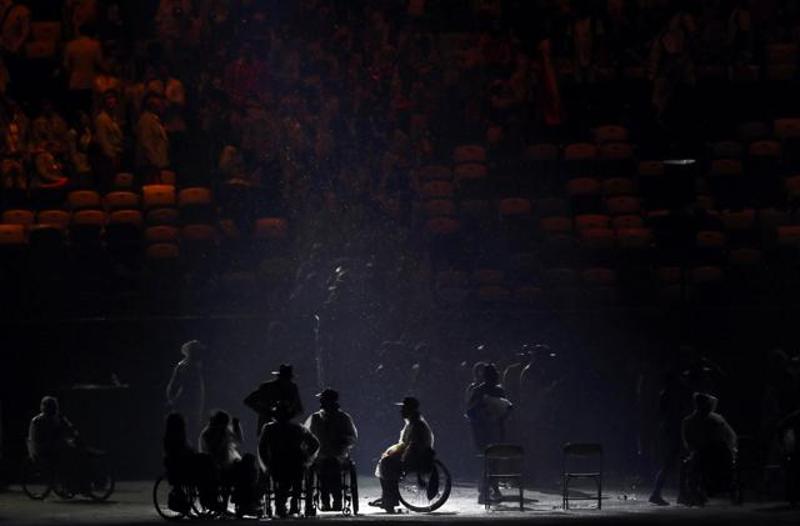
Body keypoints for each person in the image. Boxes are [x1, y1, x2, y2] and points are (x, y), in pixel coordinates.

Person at [370, 397, 435, 514]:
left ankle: (390, 500)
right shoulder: (411, 423)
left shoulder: (417, 425)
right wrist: (390, 452)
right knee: (385, 460)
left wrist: (400, 458)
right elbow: (404, 444)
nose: (401, 411)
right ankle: (387, 497)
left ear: (410, 410)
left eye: (404, 409)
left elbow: (413, 446)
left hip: (417, 457)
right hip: (412, 454)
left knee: (387, 464)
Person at [259, 402, 320, 518]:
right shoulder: (298, 428)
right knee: (295, 479)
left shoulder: (269, 428)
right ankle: (292, 503)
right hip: (295, 462)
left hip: (278, 462)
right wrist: (307, 457)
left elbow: (262, 447)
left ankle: (282, 504)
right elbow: (315, 443)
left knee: (282, 482)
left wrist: (266, 464)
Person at [678, 392, 738, 506]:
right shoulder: (692, 421)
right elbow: (689, 442)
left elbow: (730, 436)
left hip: (715, 454)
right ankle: (692, 494)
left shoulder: (714, 419)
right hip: (707, 454)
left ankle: (692, 494)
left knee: (692, 463)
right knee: (691, 463)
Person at [304, 388, 358, 511]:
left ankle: (332, 499)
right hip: (320, 454)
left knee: (330, 464)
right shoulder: (315, 418)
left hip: (338, 454)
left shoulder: (343, 418)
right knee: (326, 465)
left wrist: (341, 442)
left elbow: (352, 437)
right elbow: (306, 436)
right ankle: (329, 499)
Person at [466, 363, 513, 503]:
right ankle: (485, 490)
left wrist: (501, 414)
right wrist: (485, 415)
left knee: (494, 460)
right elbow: (470, 411)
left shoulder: (499, 391)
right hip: (483, 431)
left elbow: (506, 408)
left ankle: (492, 488)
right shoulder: (478, 391)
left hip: (496, 429)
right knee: (486, 460)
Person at [198, 410, 259, 515]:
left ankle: (246, 502)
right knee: (240, 474)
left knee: (249, 463)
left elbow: (239, 440)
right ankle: (241, 502)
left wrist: (237, 426)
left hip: (228, 464)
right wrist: (222, 438)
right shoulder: (208, 434)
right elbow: (213, 452)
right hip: (217, 468)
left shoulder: (225, 431)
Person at [27, 396, 86, 493]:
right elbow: (35, 439)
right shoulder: (37, 421)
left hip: (56, 446)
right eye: (51, 407)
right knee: (65, 458)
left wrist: (75, 435)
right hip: (44, 449)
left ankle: (77, 482)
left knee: (76, 453)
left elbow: (69, 427)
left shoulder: (58, 418)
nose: (54, 409)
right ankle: (68, 483)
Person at [649, 370, 691, 506]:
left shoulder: (668, 394)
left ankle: (679, 494)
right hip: (673, 431)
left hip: (671, 430)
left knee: (677, 464)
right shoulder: (670, 395)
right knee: (671, 464)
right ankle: (657, 494)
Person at [244, 364, 303, 437]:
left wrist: (286, 416)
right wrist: (267, 412)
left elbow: (299, 409)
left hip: (285, 429)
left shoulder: (293, 388)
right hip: (267, 426)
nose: (287, 381)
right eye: (285, 378)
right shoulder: (267, 387)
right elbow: (248, 400)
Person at [166, 340, 206, 442]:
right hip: (187, 405)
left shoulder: (188, 365)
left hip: (186, 404)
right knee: (187, 433)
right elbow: (184, 387)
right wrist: (175, 400)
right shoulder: (188, 366)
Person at [135, 92, 170, 183]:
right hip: (150, 165)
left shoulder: (154, 119)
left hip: (155, 164)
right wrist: (154, 162)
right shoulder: (146, 119)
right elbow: (146, 143)